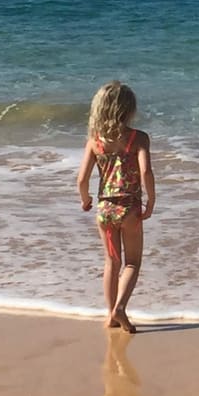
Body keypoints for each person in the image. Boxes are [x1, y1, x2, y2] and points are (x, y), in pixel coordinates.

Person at [77, 81, 155, 331]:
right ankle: (121, 307)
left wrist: (85, 199)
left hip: (105, 210)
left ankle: (110, 315)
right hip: (129, 208)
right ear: (129, 109)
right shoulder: (139, 138)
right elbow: (146, 172)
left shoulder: (95, 142)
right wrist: (151, 200)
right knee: (132, 263)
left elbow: (82, 179)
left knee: (112, 262)